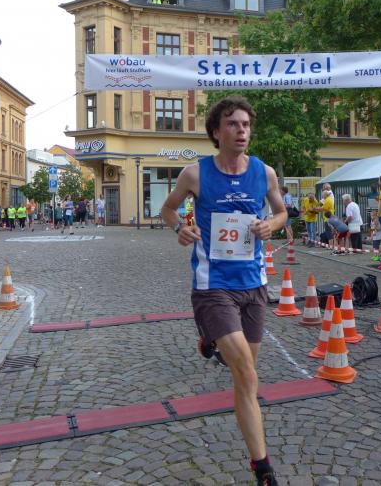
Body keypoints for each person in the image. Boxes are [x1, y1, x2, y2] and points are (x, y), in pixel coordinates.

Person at [159, 96, 285, 486]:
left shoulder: (264, 173)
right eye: (232, 124)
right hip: (212, 285)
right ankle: (262, 468)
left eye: (246, 124)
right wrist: (180, 227)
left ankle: (210, 339)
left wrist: (271, 225)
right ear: (217, 132)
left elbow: (281, 212)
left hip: (254, 285)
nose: (241, 131)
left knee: (245, 373)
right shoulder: (195, 174)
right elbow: (167, 209)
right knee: (245, 372)